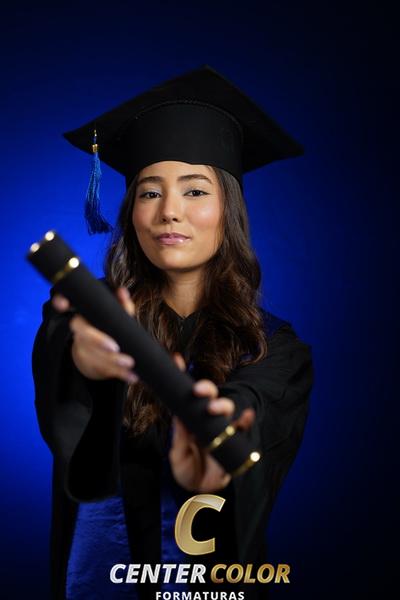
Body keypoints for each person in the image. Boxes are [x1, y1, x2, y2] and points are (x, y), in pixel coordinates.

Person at [32, 65, 314, 600]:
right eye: (149, 193)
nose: (169, 212)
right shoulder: (88, 314)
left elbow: (257, 414)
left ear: (228, 209)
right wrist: (85, 360)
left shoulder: (274, 349)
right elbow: (64, 360)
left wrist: (221, 435)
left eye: (194, 190)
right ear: (131, 212)